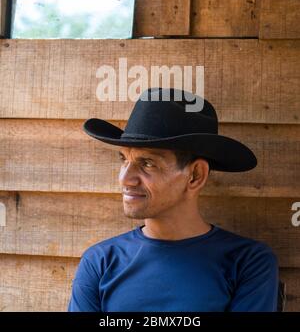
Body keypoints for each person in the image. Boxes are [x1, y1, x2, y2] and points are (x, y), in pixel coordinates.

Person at [68, 87, 279, 312]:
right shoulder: (100, 262)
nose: (125, 179)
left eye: (147, 163)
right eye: (124, 160)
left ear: (195, 175)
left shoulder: (247, 262)